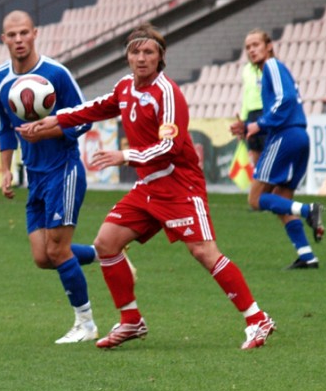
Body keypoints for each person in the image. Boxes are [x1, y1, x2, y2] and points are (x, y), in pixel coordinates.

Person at [25, 23, 275, 350]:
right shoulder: (126, 87)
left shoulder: (167, 92)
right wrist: (56, 120)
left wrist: (124, 155)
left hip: (179, 184)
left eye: (148, 52)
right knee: (106, 243)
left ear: (160, 58)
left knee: (203, 251)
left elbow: (169, 147)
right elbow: (94, 108)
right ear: (127, 57)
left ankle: (257, 319)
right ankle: (131, 321)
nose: (141, 58)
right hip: (148, 187)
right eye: (135, 52)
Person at [0, 9, 103, 345]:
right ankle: (105, 254)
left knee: (57, 249)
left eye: (24, 33)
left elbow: (85, 120)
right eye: (12, 35)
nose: (19, 40)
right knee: (42, 257)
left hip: (63, 170)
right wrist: (5, 170)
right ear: (4, 39)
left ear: (35, 33)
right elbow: (5, 128)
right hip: (34, 176)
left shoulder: (56, 74)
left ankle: (86, 323)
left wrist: (49, 131)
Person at [230, 28, 324, 270]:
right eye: (247, 47)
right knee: (281, 200)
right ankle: (307, 256)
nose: (251, 50)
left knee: (255, 199)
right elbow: (283, 107)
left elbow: (286, 100)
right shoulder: (269, 72)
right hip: (298, 135)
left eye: (255, 44)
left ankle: (309, 210)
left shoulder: (272, 66)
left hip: (286, 136)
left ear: (269, 46)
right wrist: (251, 128)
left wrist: (258, 124)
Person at [239, 61, 266, 166]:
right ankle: (258, 175)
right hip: (251, 114)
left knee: (267, 149)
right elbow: (246, 94)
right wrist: (242, 118)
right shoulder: (246, 69)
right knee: (254, 149)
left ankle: (268, 179)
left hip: (264, 112)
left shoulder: (266, 68)